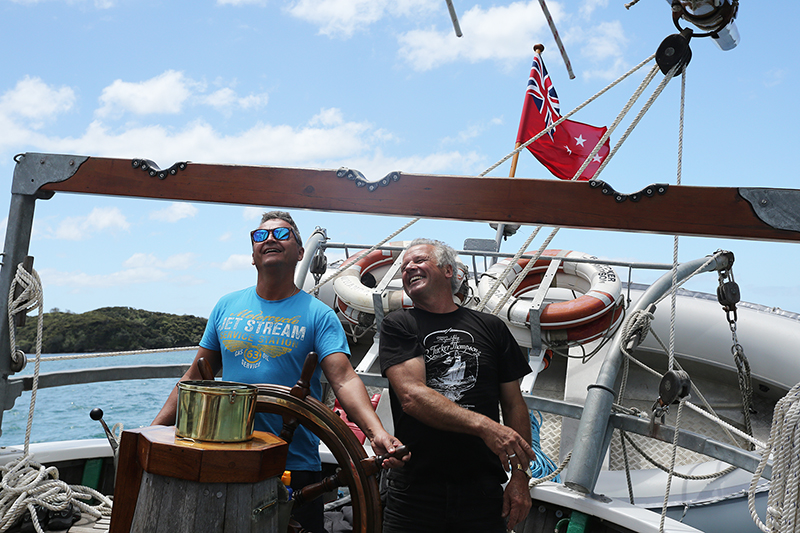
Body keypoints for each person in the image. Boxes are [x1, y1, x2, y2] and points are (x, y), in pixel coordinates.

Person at [153, 210, 405, 533]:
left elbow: (343, 378)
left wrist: (377, 432)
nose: (269, 239)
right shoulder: (225, 307)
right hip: (228, 458)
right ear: (253, 256)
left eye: (282, 234)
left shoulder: (319, 316)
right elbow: (194, 378)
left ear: (300, 253)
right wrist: (152, 431)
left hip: (295, 466)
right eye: (260, 236)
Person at [379, 238, 534, 533]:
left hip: (483, 492)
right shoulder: (399, 324)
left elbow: (514, 403)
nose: (408, 268)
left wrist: (519, 477)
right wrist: (486, 427)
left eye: (419, 260)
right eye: (403, 266)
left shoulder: (492, 328)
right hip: (415, 491)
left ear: (448, 270)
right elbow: (412, 396)